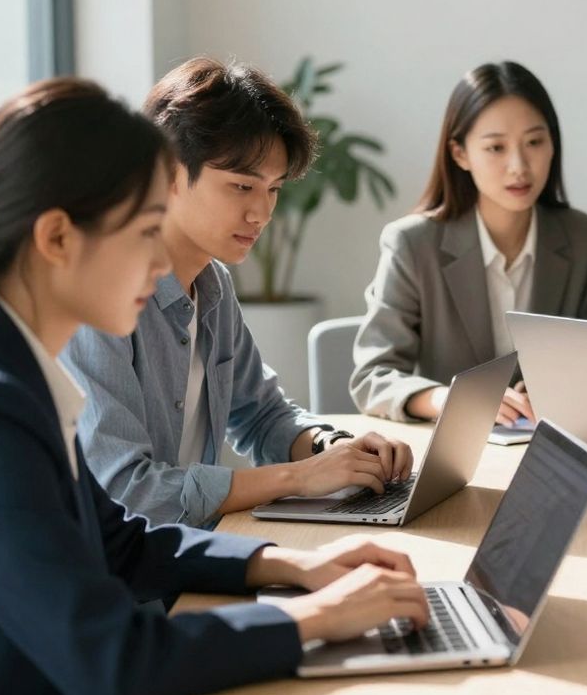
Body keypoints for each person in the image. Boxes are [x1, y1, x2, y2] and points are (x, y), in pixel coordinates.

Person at [0, 78, 430, 695]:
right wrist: (317, 617)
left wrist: (292, 563)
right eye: (144, 232)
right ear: (57, 239)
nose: (163, 263)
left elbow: (120, 541)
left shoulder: (20, 374)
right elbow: (114, 659)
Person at [64, 58, 414, 528]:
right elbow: (127, 491)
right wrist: (299, 477)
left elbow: (261, 414)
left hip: (188, 546)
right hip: (119, 565)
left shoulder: (212, 284)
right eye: (242, 186)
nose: (262, 213)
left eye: (273, 189)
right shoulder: (97, 297)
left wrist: (334, 448)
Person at [351, 61, 587, 425]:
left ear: (552, 144)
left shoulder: (585, 239)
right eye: (496, 148)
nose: (518, 166)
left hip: (548, 445)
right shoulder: (413, 244)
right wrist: (449, 399)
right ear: (460, 154)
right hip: (452, 447)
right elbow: (373, 377)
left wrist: (556, 391)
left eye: (534, 142)